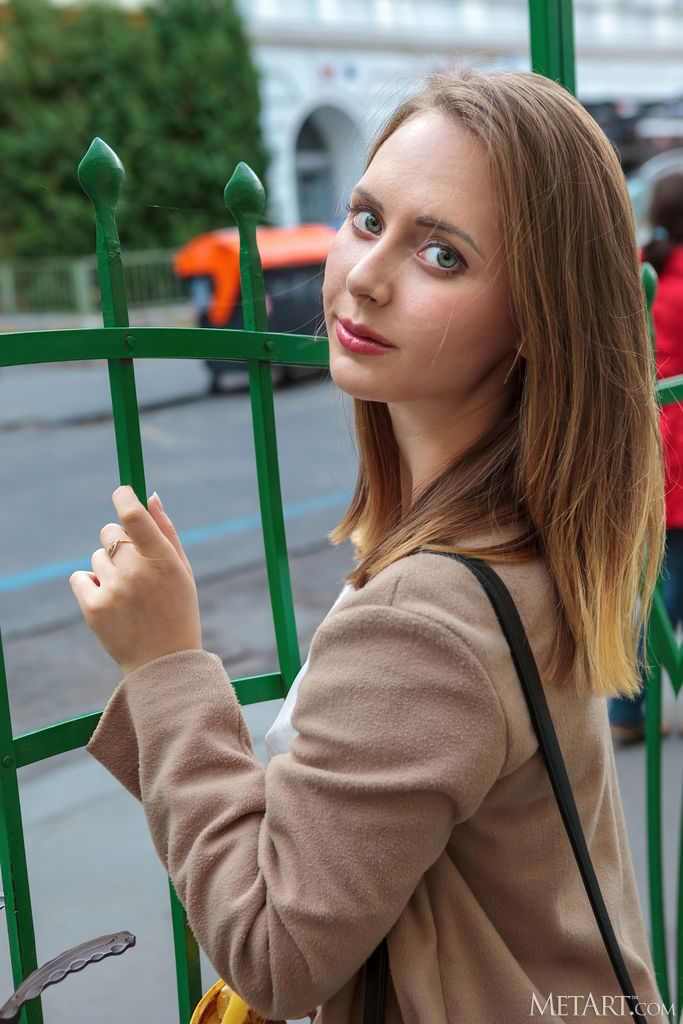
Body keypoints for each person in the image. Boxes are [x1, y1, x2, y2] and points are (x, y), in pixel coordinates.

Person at [70, 69, 668, 1023]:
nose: (364, 276)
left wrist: (165, 666)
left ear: (534, 320)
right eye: (365, 218)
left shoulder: (424, 616)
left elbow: (274, 954)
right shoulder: (528, 531)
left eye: (441, 255)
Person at [609, 171, 683, 744]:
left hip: (643, 445)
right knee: (668, 589)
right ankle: (628, 709)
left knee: (655, 583)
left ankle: (627, 709)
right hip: (677, 447)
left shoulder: (637, 271)